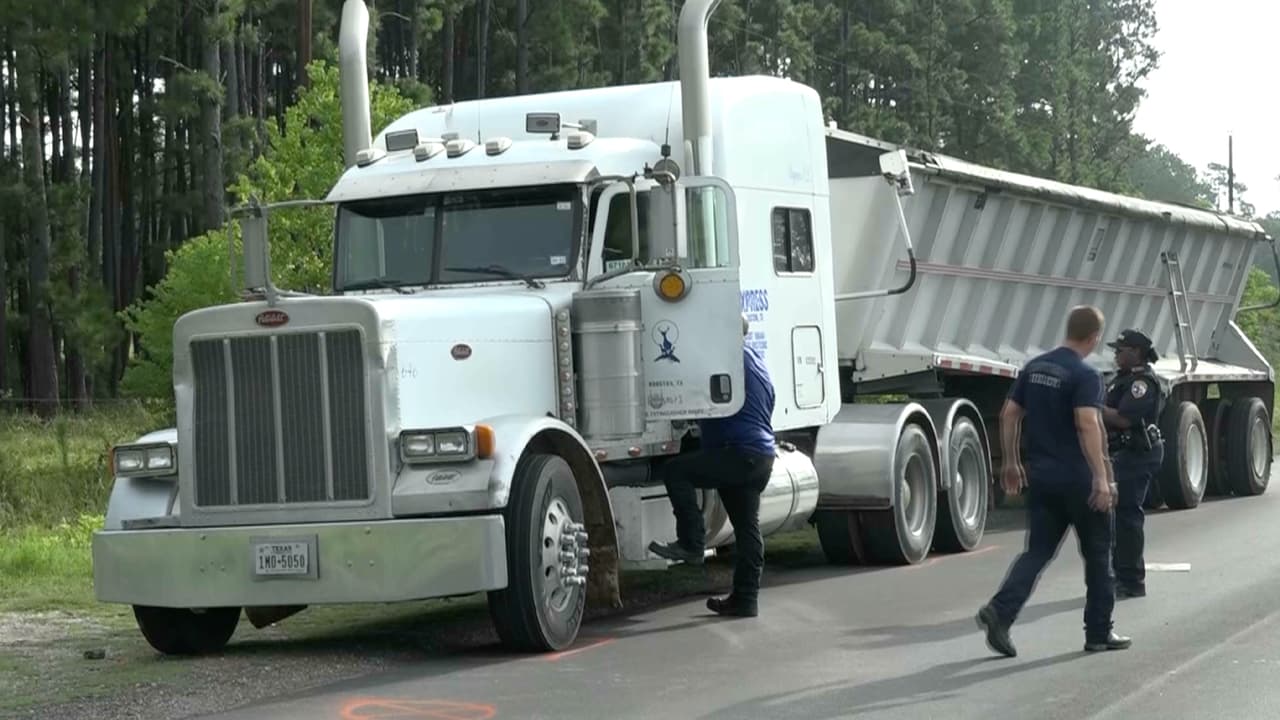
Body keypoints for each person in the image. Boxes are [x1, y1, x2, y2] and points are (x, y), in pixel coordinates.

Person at [976, 305, 1131, 656]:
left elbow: (1009, 414)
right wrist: (1102, 478)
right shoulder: (1085, 375)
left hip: (1043, 479)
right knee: (1098, 555)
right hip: (1080, 481)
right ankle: (1098, 633)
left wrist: (1012, 462)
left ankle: (1000, 612)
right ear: (1093, 338)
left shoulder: (1035, 368)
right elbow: (1087, 424)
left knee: (1037, 552)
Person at [648, 315, 776, 618]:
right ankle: (746, 599)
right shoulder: (755, 360)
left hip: (738, 453)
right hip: (760, 455)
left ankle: (692, 542)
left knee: (676, 471)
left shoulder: (727, 360)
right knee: (747, 530)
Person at [1103, 329, 1165, 599]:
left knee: (1128, 516)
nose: (1116, 354)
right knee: (1118, 517)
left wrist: (1088, 407)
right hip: (1123, 454)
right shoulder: (1123, 379)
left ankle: (1131, 581)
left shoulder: (1143, 383)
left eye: (1121, 350)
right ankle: (1120, 575)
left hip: (1138, 454)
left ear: (1137, 352)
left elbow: (1124, 419)